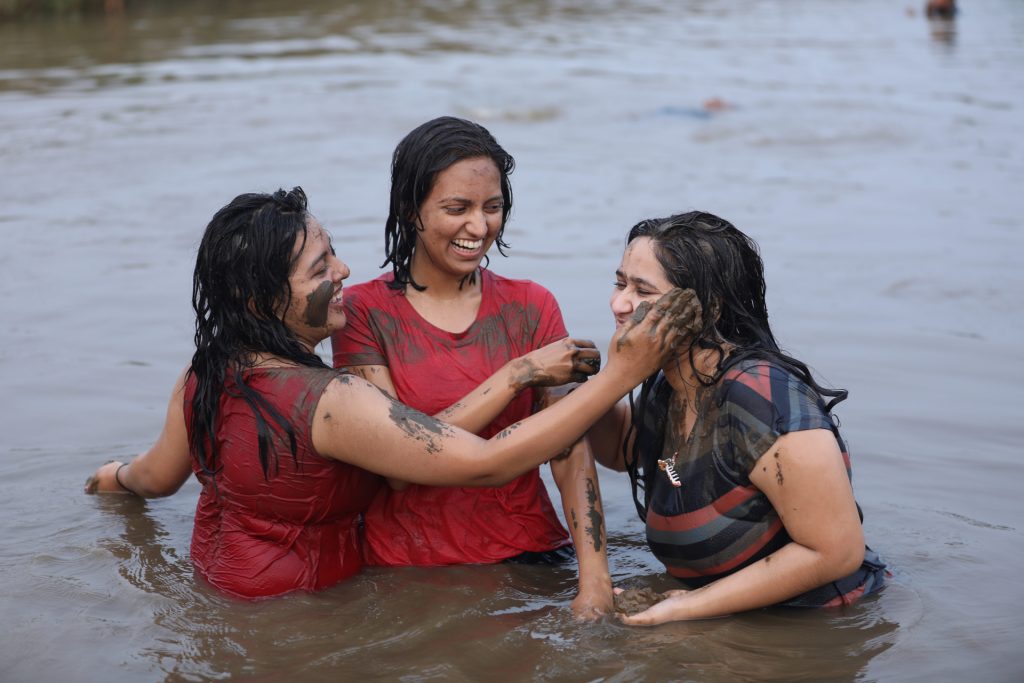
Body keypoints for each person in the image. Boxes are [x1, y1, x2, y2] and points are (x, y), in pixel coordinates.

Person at [84, 187, 694, 601]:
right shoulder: (333, 400)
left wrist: (109, 477)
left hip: (215, 586)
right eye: (321, 267)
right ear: (263, 301)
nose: (345, 271)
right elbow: (482, 465)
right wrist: (620, 374)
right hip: (305, 612)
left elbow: (154, 478)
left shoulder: (204, 376)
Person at [331, 117, 614, 618]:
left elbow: (568, 450)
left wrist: (594, 584)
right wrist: (516, 375)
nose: (479, 228)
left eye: (493, 207)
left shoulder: (531, 305)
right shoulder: (361, 314)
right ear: (409, 209)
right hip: (407, 568)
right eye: (456, 209)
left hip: (531, 559)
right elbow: (400, 463)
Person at [586, 211, 887, 624]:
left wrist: (684, 608)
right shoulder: (670, 381)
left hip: (813, 623)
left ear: (708, 308)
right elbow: (628, 453)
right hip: (726, 611)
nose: (618, 304)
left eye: (642, 291)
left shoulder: (761, 399)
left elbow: (836, 552)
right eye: (620, 283)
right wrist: (584, 390)